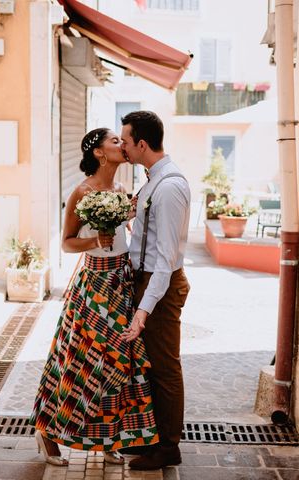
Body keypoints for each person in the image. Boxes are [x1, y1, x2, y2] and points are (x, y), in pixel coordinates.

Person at [30, 128, 159, 466]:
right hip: (94, 288)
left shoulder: (121, 190)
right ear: (100, 153)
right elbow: (66, 242)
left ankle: (108, 438)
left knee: (119, 362)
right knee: (80, 361)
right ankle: (47, 433)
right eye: (115, 141)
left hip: (121, 283)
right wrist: (94, 241)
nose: (123, 144)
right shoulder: (81, 191)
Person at [119, 111, 191, 470]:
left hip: (161, 284)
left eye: (127, 142)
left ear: (142, 144)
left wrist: (143, 312)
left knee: (165, 368)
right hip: (147, 279)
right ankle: (151, 439)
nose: (123, 148)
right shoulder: (152, 181)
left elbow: (165, 261)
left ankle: (169, 446)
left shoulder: (170, 187)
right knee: (149, 367)